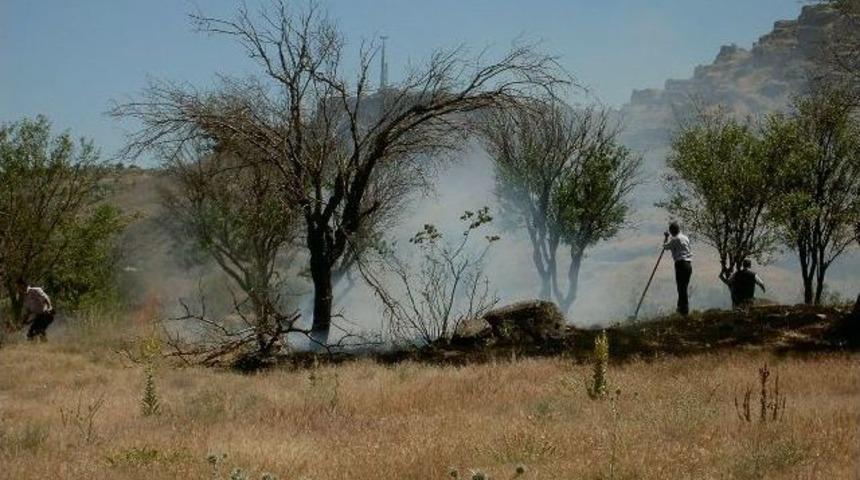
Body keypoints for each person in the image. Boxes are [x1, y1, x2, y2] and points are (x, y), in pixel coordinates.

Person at [663, 222, 692, 316]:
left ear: (672, 231)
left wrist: (666, 237)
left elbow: (665, 247)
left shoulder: (675, 239)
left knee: (681, 288)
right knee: (684, 287)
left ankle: (683, 310)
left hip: (680, 264)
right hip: (688, 265)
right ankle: (681, 308)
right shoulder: (685, 238)